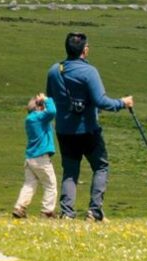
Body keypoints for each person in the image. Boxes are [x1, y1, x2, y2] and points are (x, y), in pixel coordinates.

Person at [44, 31, 133, 220]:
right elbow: (102, 101)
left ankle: (67, 212)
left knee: (70, 171)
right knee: (101, 166)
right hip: (87, 129)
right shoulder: (89, 72)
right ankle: (94, 211)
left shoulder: (54, 71)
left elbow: (49, 98)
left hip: (64, 130)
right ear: (85, 50)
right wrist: (122, 103)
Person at [12, 93, 58, 219]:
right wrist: (46, 99)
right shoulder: (39, 117)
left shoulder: (30, 119)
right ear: (38, 107)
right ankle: (47, 211)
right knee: (50, 185)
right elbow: (53, 111)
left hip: (30, 158)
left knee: (29, 184)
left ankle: (19, 207)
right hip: (41, 158)